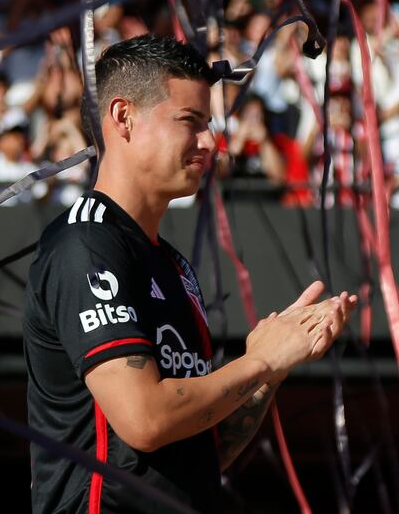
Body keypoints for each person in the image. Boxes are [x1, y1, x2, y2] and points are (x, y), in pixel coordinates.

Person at [24, 34, 356, 513]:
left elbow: (199, 451)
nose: (210, 141)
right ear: (123, 118)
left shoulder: (171, 263)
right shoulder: (86, 244)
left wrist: (273, 371)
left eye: (210, 123)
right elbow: (145, 420)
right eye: (190, 121)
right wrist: (257, 361)